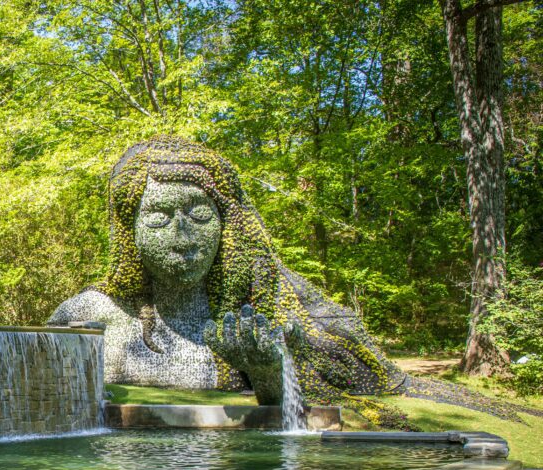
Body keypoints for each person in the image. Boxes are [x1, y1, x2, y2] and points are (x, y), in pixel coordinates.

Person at [48, 136, 409, 422]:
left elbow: (287, 418)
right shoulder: (88, 313)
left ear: (226, 227)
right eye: (158, 216)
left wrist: (265, 370)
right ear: (130, 231)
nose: (182, 234)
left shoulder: (253, 312)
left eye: (199, 214)